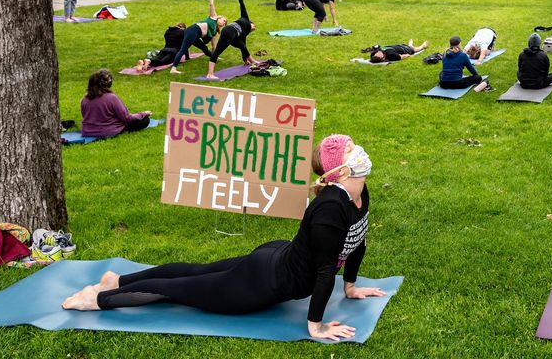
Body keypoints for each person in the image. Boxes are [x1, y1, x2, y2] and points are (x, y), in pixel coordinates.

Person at [61, 134, 383, 342]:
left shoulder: (359, 193)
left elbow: (358, 241)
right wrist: (316, 325)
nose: (362, 153)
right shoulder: (330, 209)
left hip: (274, 260)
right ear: (340, 171)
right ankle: (97, 298)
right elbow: (326, 270)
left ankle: (116, 278)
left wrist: (351, 287)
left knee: (193, 271)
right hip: (263, 281)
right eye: (353, 150)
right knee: (178, 289)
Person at [170, 0, 228, 74]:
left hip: (196, 35)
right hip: (193, 30)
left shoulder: (215, 32)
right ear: (219, 17)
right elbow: (211, 4)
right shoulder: (213, 17)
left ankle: (211, 57)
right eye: (223, 20)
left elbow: (213, 46)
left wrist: (215, 56)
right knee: (183, 48)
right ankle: (173, 69)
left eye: (225, 23)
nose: (224, 23)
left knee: (204, 48)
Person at [80, 69, 151, 138]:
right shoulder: (111, 97)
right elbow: (127, 118)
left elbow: (85, 116)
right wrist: (143, 114)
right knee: (145, 120)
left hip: (87, 131)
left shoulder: (85, 99)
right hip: (107, 131)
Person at [205, 0, 260, 80]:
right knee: (218, 51)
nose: (254, 27)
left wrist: (245, 60)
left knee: (242, 46)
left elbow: (243, 46)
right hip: (229, 31)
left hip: (233, 36)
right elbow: (242, 4)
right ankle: (210, 74)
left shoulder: (245, 32)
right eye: (254, 26)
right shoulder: (245, 18)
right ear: (251, 23)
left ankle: (251, 61)